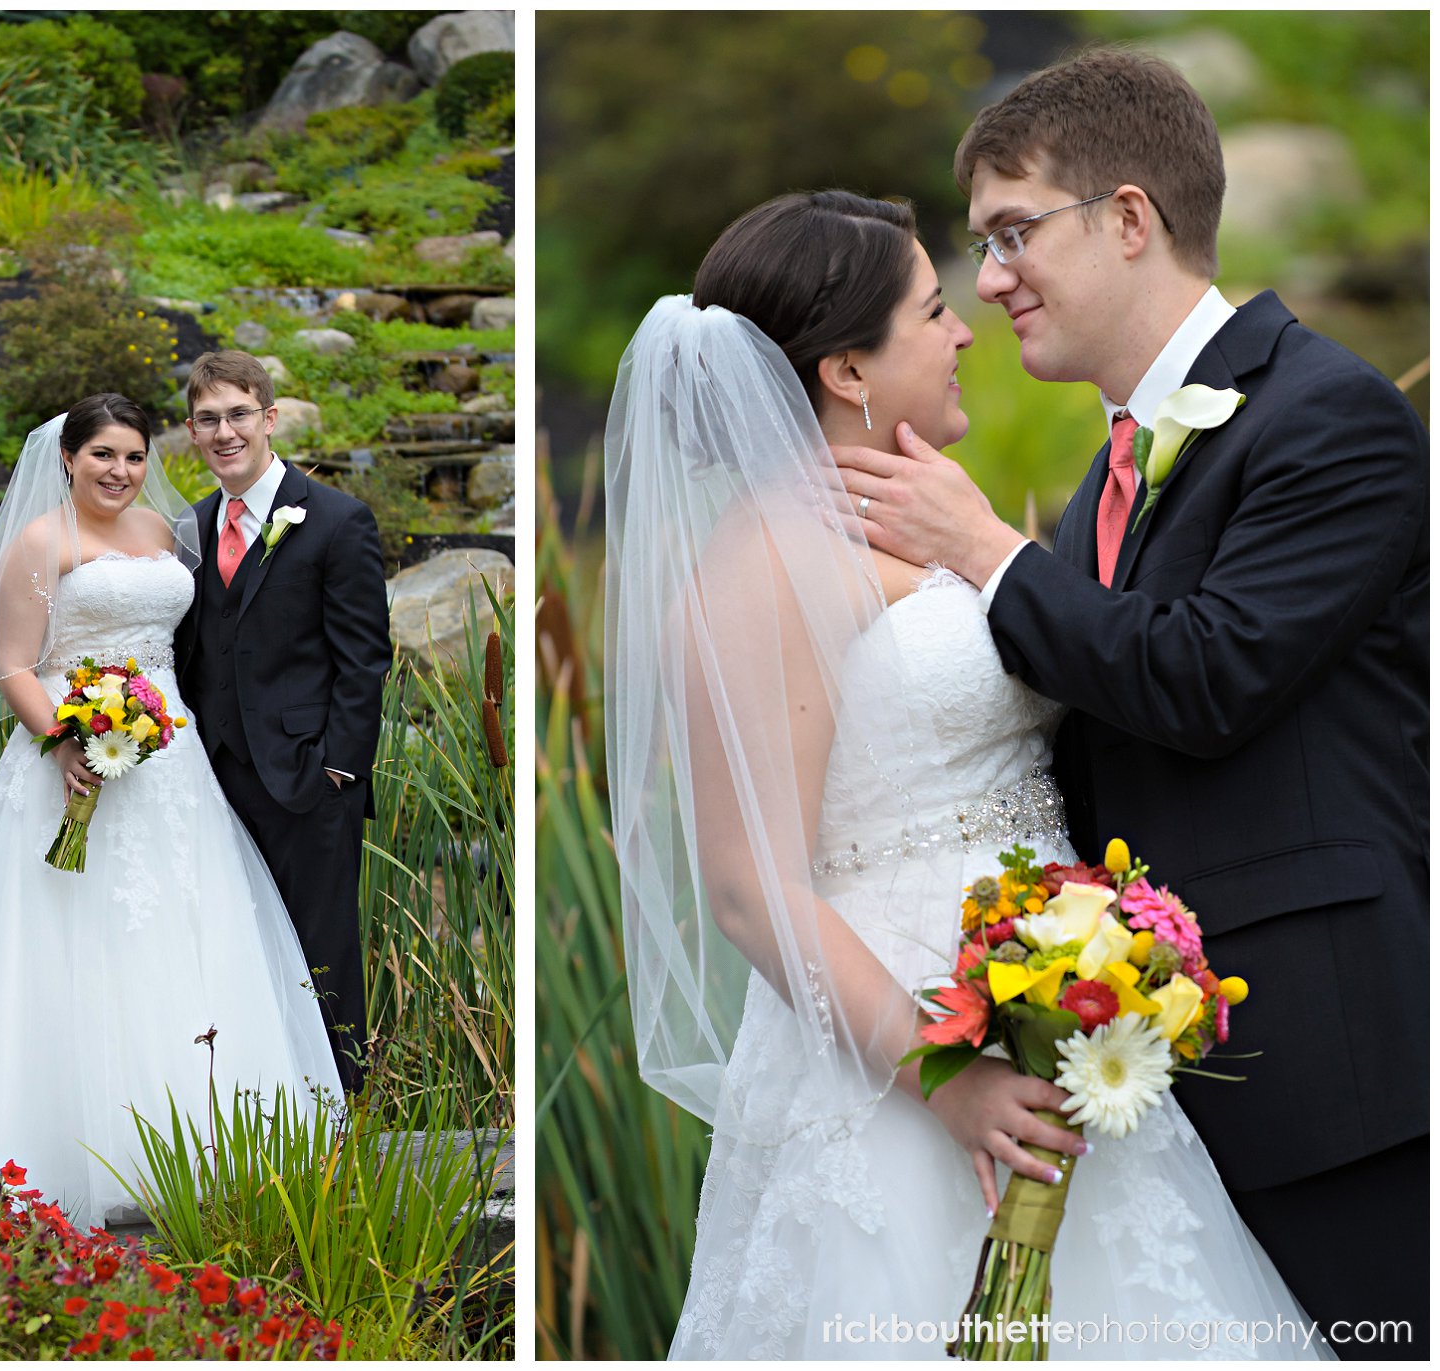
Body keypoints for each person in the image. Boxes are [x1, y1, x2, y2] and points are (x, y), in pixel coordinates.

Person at [605, 191, 1330, 1359]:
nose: (962, 333)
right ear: (848, 369)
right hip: (900, 1059)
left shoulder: (924, 522)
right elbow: (749, 888)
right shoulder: (765, 564)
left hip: (1058, 1020)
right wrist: (945, 1082)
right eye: (932, 311)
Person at [832, 50, 1427, 1360]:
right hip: (1145, 1067)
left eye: (1007, 234)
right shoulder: (1121, 452)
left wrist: (988, 552)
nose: (986, 283)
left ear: (1125, 218)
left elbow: (1207, 676)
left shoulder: (1328, 417)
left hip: (1329, 1071)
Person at [0, 393, 342, 1226]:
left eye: (135, 456)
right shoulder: (42, 540)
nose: (120, 471)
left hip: (169, 765)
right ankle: (62, 1147)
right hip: (72, 764)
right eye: (103, 455)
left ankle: (209, 1142)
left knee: (185, 925)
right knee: (69, 937)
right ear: (68, 458)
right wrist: (66, 743)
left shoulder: (161, 534)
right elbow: (13, 667)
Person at [171, 352, 392, 1094]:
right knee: (233, 947)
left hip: (307, 777)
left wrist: (340, 768)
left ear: (269, 418)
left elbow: (364, 660)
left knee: (321, 950)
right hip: (212, 781)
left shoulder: (334, 519)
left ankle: (343, 1111)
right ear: (193, 433)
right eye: (208, 419)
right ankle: (254, 1104)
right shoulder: (192, 528)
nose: (223, 431)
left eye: (238, 414)